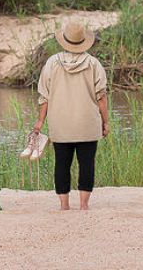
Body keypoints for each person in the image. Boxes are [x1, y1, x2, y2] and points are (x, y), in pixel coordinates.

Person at [33, 20, 109, 211]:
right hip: (87, 123)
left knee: (62, 164)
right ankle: (84, 205)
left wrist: (40, 121)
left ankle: (64, 205)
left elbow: (44, 97)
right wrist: (105, 122)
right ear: (84, 41)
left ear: (64, 41)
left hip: (60, 123)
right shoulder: (93, 64)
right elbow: (101, 97)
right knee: (87, 164)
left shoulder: (52, 63)